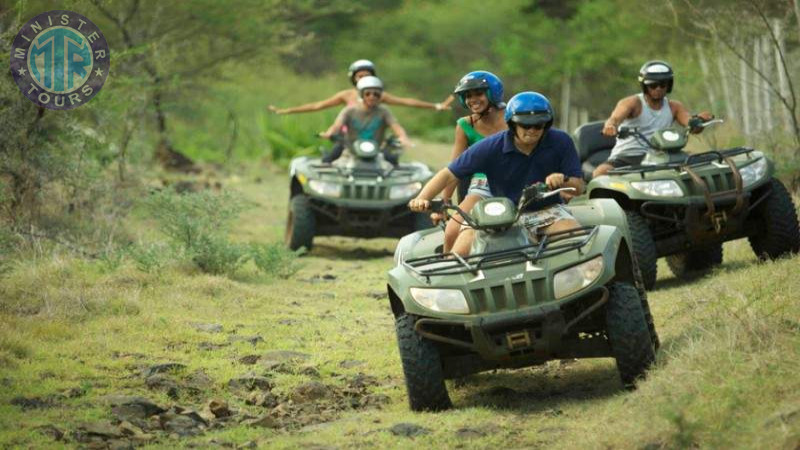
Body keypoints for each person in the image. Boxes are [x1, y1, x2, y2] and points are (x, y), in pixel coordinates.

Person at [409, 92, 584, 257]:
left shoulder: (561, 141)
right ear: (512, 124)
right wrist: (423, 197)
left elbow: (579, 188)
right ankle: (446, 284)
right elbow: (449, 174)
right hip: (499, 214)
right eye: (525, 125)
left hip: (547, 211)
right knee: (460, 253)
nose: (532, 130)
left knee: (578, 242)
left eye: (538, 124)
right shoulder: (491, 146)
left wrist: (563, 180)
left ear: (547, 124)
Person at [593, 60, 714, 177]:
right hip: (628, 156)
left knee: (701, 165)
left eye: (663, 84)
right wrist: (610, 126)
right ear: (645, 86)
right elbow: (614, 118)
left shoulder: (674, 106)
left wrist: (699, 121)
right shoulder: (632, 103)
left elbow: (691, 125)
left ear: (669, 85)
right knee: (601, 172)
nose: (658, 88)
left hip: (662, 155)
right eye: (653, 85)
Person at [438, 71, 507, 253]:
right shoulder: (465, 125)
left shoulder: (513, 118)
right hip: (481, 185)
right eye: (468, 96)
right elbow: (455, 168)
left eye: (478, 94)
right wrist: (443, 202)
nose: (472, 99)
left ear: (493, 93)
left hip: (516, 179)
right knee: (452, 230)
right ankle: (446, 271)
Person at [269, 59, 453, 114]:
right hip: (350, 136)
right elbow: (317, 105)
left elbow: (407, 101)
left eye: (367, 75)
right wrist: (286, 110)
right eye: (360, 76)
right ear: (353, 79)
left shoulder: (380, 95)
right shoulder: (346, 95)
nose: (363, 79)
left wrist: (436, 105)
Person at [319, 76, 409, 165]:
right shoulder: (349, 111)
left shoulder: (384, 111)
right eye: (368, 94)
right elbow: (337, 125)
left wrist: (403, 137)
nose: (372, 97)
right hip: (351, 151)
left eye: (376, 94)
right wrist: (329, 133)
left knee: (393, 163)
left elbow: (396, 126)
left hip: (377, 151)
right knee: (330, 162)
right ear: (361, 94)